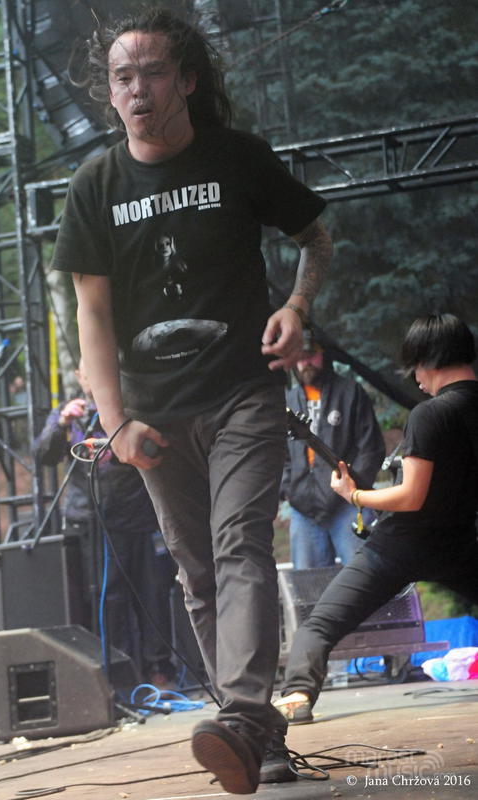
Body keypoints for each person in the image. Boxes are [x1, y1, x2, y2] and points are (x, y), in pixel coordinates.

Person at [52, 8, 332, 793]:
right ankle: (257, 738)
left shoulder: (237, 159)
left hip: (242, 390)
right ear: (109, 92)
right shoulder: (95, 186)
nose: (136, 90)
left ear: (185, 80)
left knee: (239, 545)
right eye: (122, 77)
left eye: (150, 73)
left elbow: (315, 236)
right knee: (199, 573)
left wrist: (296, 307)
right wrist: (115, 425)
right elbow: (92, 315)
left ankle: (239, 715)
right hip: (153, 416)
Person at [274, 313, 478, 727]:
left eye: (415, 366)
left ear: (430, 359)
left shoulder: (430, 414)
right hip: (460, 542)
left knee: (320, 624)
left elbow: (410, 496)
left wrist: (354, 495)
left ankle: (297, 695)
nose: (416, 378)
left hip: (400, 546)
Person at [34, 360, 176, 686]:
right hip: (93, 523)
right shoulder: (69, 414)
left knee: (152, 594)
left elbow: (156, 447)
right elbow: (43, 454)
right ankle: (118, 675)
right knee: (108, 598)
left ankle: (159, 671)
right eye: (87, 372)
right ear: (79, 377)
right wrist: (62, 423)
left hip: (138, 518)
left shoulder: (131, 407)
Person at [282, 333, 385, 568]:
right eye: (299, 357)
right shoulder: (289, 400)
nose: (305, 362)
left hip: (348, 504)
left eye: (311, 355)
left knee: (363, 575)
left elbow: (371, 448)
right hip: (303, 511)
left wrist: (353, 488)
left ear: (323, 355)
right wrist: (288, 488)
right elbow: (279, 452)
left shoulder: (350, 392)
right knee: (308, 584)